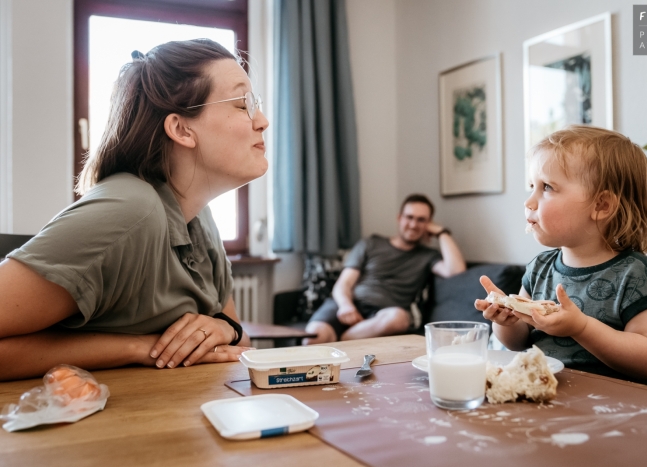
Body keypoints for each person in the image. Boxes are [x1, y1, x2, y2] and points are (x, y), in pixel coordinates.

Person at [0, 39, 269, 381]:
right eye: (242, 102)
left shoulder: (200, 217)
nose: (262, 120)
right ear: (181, 129)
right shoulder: (130, 211)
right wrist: (139, 347)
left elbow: (239, 341)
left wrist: (223, 330)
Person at [475, 125, 647, 381]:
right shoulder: (540, 268)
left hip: (612, 409)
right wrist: (507, 321)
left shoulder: (637, 275)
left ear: (601, 205)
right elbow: (518, 342)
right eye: (532, 186)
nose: (529, 201)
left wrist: (580, 327)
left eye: (547, 187)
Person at [305, 194, 466, 344]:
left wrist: (442, 232)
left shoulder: (428, 256)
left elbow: (456, 270)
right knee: (314, 336)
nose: (413, 225)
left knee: (399, 318)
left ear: (429, 224)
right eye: (409, 217)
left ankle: (341, 343)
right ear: (399, 218)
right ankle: (345, 342)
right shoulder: (371, 243)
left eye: (421, 220)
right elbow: (344, 283)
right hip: (347, 304)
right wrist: (346, 305)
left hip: (383, 315)